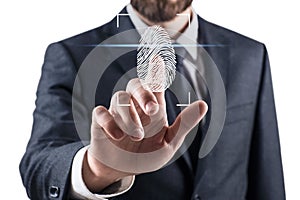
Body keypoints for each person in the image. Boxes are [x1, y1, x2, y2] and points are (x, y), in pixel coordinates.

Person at [20, 0, 286, 199]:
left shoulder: (250, 54)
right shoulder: (70, 56)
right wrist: (96, 169)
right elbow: (38, 166)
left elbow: (267, 175)